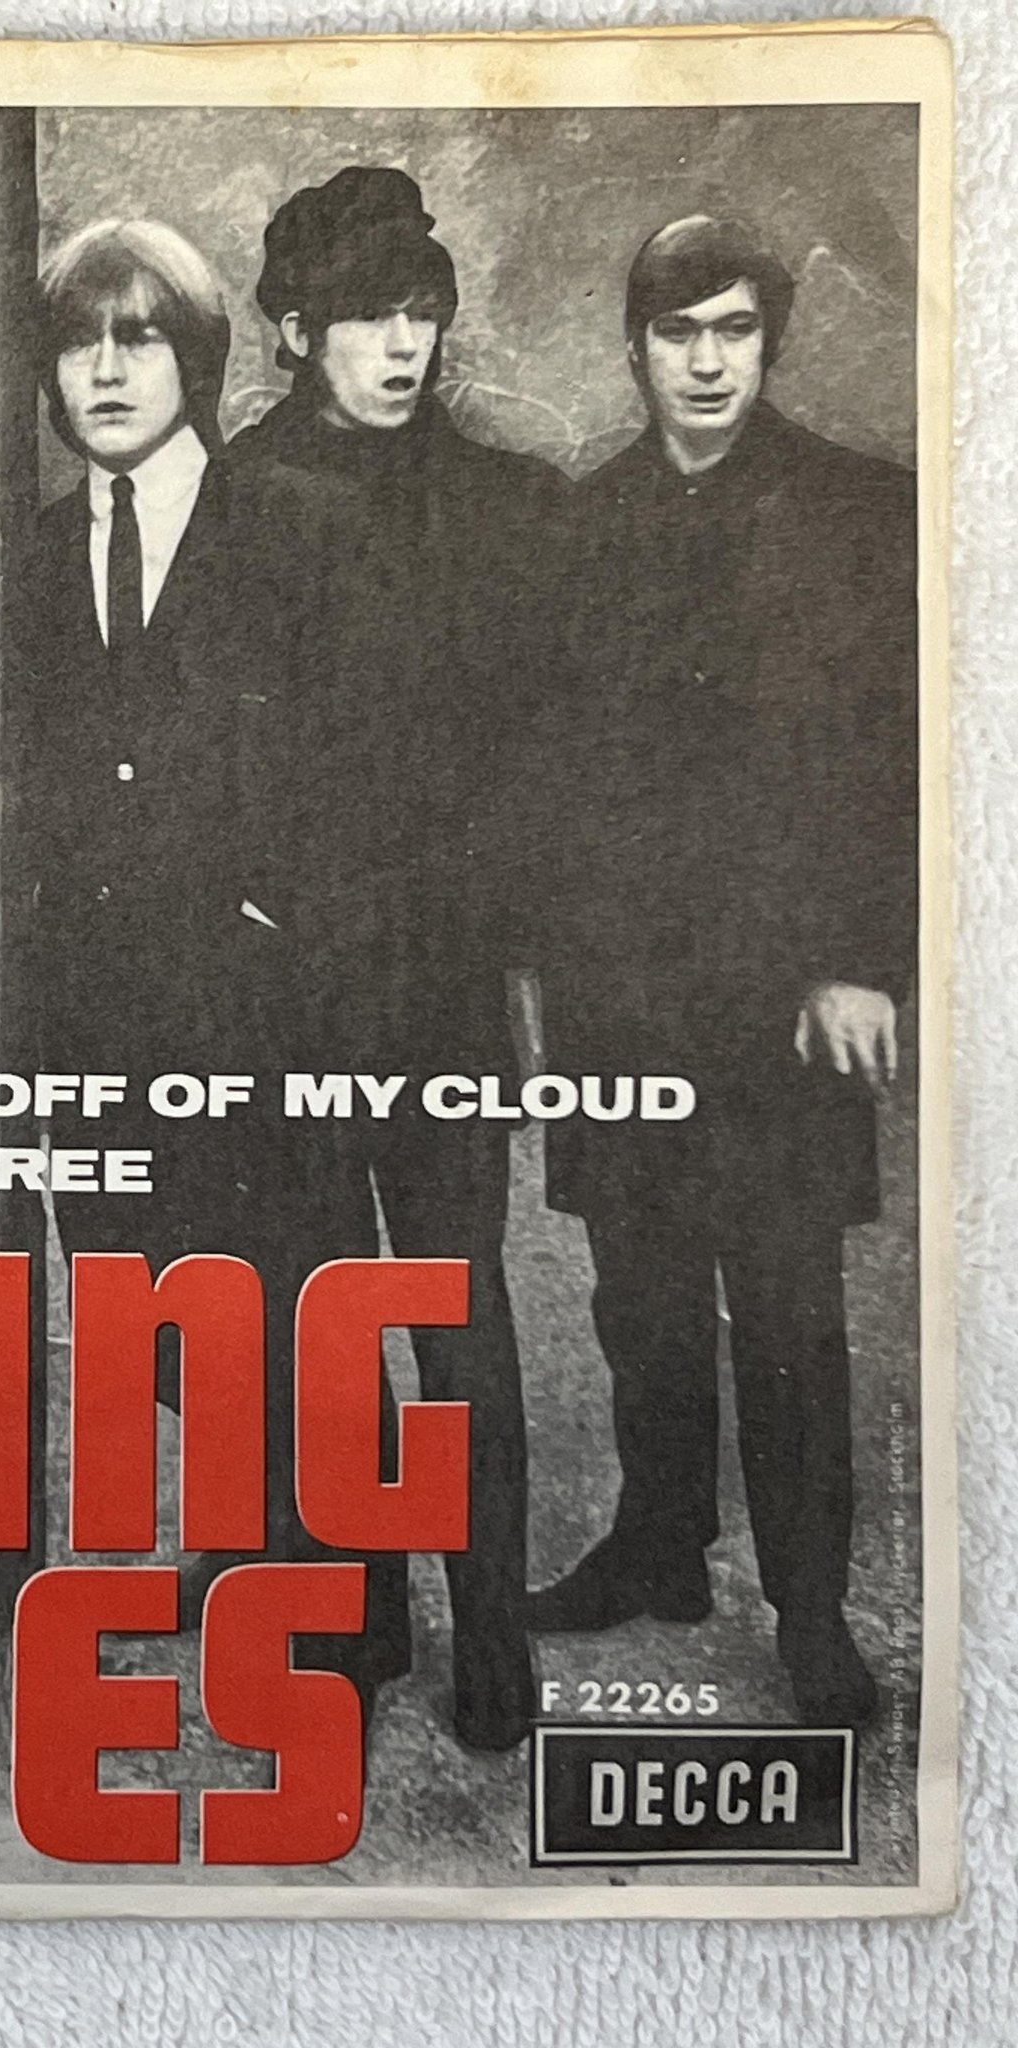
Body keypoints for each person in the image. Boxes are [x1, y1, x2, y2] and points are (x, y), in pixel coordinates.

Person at [18, 217, 410, 1731]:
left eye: (141, 339)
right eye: (79, 343)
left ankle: (355, 1603)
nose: (109, 371)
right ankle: (248, 1539)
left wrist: (290, 930)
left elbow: (368, 771)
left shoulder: (303, 524)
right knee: (156, 1301)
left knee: (297, 1287)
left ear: (199, 358)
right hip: (100, 1008)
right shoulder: (31, 548)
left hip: (266, 1001)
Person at [530, 216, 916, 1728]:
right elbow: (554, 769)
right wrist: (555, 965)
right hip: (624, 990)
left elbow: (898, 763)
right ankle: (658, 1547)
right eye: (678, 333)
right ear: (635, 348)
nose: (706, 362)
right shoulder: (585, 523)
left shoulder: (858, 511)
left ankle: (811, 1612)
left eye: (735, 330)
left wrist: (860, 961)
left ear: (771, 340)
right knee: (640, 1292)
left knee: (788, 1309)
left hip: (787, 995)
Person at [229, 167, 562, 1751]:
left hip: (439, 972)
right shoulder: (228, 500)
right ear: (299, 330)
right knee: (321, 1307)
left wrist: (486, 914)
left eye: (423, 313)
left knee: (459, 1303)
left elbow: (543, 751)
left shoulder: (506, 503)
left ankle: (492, 1634)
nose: (404, 344)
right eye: (369, 315)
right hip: (289, 976)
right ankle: (358, 1618)